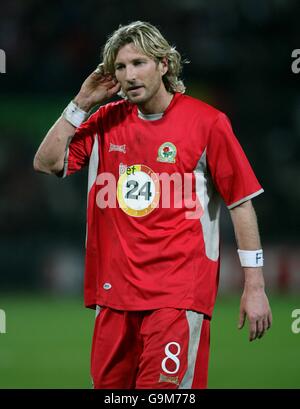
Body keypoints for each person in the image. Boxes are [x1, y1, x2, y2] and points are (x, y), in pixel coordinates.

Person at [33, 21, 272, 389]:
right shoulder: (103, 122)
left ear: (164, 64)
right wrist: (80, 104)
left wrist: (254, 286)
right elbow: (46, 162)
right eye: (121, 67)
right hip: (113, 299)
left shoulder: (207, 123)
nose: (129, 75)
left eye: (139, 63)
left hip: (176, 298)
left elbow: (241, 203)